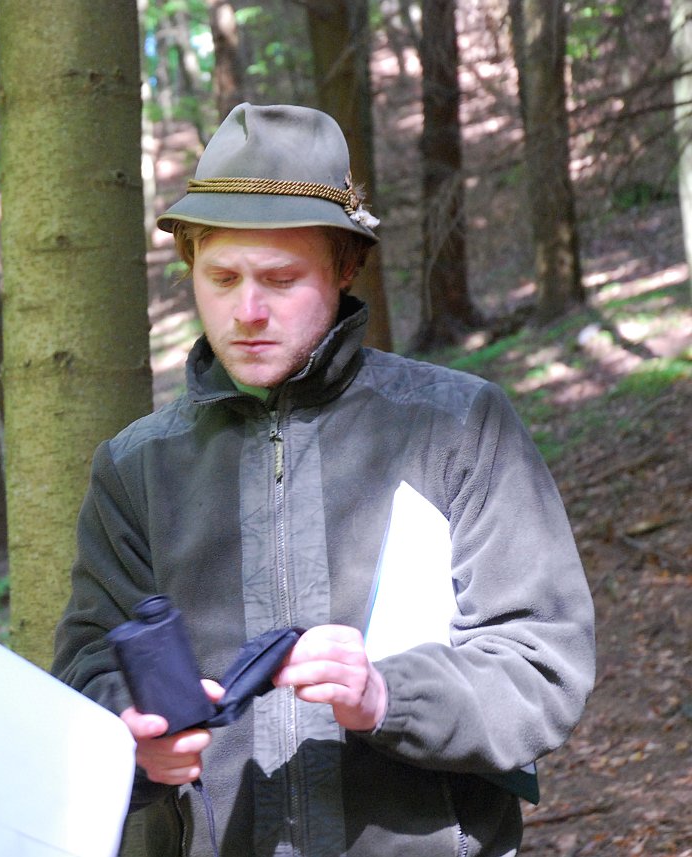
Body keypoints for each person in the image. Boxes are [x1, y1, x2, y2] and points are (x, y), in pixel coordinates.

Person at [52, 104, 595, 856]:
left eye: (281, 279)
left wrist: (387, 696)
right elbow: (88, 672)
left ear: (344, 268)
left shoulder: (458, 425)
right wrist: (133, 737)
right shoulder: (136, 466)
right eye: (221, 277)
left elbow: (541, 663)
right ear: (189, 265)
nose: (247, 311)